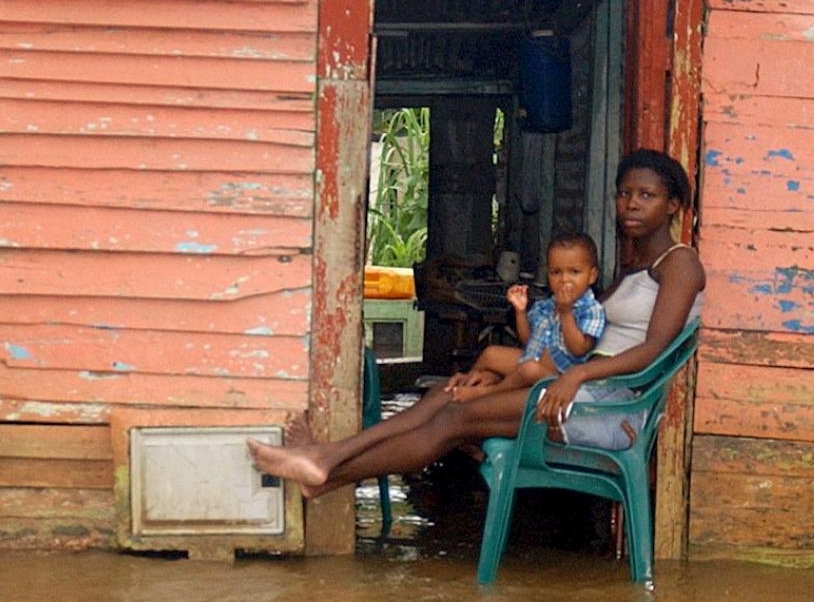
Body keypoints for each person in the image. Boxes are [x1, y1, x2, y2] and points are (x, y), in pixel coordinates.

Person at [248, 148, 706, 498]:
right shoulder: (633, 267)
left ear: (673, 205)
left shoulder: (680, 264)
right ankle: (326, 463)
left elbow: (653, 350)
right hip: (579, 387)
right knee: (445, 394)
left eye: (646, 196)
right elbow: (582, 341)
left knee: (453, 418)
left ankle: (325, 468)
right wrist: (510, 373)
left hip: (609, 408)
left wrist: (576, 376)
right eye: (625, 193)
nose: (631, 204)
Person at [446, 232, 605, 403]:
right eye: (556, 272)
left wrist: (566, 313)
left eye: (574, 272)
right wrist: (520, 311)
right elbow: (528, 340)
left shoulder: (591, 310)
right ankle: (469, 382)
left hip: (559, 377)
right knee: (491, 353)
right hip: (530, 360)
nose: (564, 279)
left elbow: (580, 349)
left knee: (528, 369)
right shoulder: (546, 306)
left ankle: (485, 393)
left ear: (592, 276)